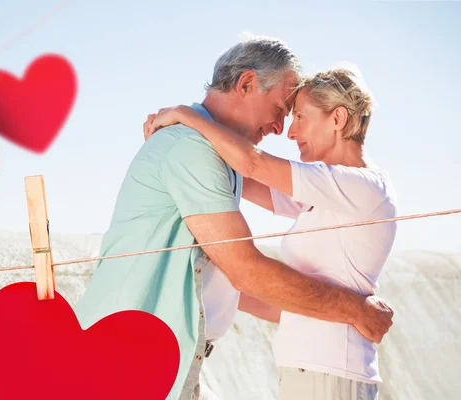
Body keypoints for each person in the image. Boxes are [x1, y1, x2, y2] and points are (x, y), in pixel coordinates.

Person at [75, 35, 394, 400]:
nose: (282, 129)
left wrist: (189, 116)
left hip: (170, 358)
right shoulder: (192, 149)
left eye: (298, 117)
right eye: (281, 109)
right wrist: (355, 309)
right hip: (135, 356)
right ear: (246, 84)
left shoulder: (347, 186)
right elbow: (245, 267)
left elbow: (250, 170)